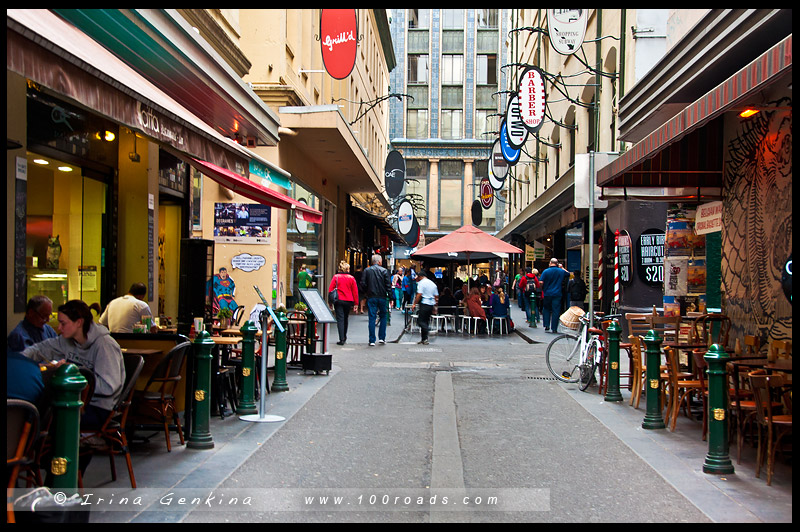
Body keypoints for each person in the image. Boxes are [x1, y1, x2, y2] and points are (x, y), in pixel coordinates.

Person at [22, 300, 125, 429]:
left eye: (63, 323)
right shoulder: (67, 340)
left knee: (40, 418)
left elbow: (108, 387)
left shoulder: (105, 345)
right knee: (34, 411)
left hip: (98, 408)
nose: (59, 328)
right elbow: (39, 349)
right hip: (74, 402)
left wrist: (73, 376)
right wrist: (20, 362)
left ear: (79, 322)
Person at [362, 254, 392, 346]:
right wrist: (391, 297)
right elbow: (388, 285)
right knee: (383, 316)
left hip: (371, 296)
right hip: (382, 297)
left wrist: (366, 292)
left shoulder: (367, 270)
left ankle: (371, 340)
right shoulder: (384, 271)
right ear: (379, 261)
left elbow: (363, 283)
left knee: (372, 317)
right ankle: (382, 338)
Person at [329, 261, 359, 345]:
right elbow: (355, 291)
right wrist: (356, 304)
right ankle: (344, 336)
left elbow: (331, 289)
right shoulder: (351, 278)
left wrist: (330, 302)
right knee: (345, 318)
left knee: (340, 319)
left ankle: (341, 338)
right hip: (348, 301)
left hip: (338, 300)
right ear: (347, 269)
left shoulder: (336, 277)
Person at [539, 258, 571, 332]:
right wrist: (562, 267)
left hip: (547, 293)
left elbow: (541, 282)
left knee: (546, 309)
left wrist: (542, 289)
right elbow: (568, 274)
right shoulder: (561, 271)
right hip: (557, 293)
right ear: (557, 264)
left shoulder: (546, 271)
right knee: (556, 310)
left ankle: (546, 325)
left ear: (550, 263)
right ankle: (554, 328)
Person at [411, 270, 439, 345]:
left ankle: (426, 330)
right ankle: (424, 339)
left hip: (424, 303)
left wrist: (414, 303)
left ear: (420, 276)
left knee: (420, 321)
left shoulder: (421, 283)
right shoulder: (433, 284)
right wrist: (435, 305)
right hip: (431, 304)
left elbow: (419, 294)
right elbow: (436, 296)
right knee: (426, 320)